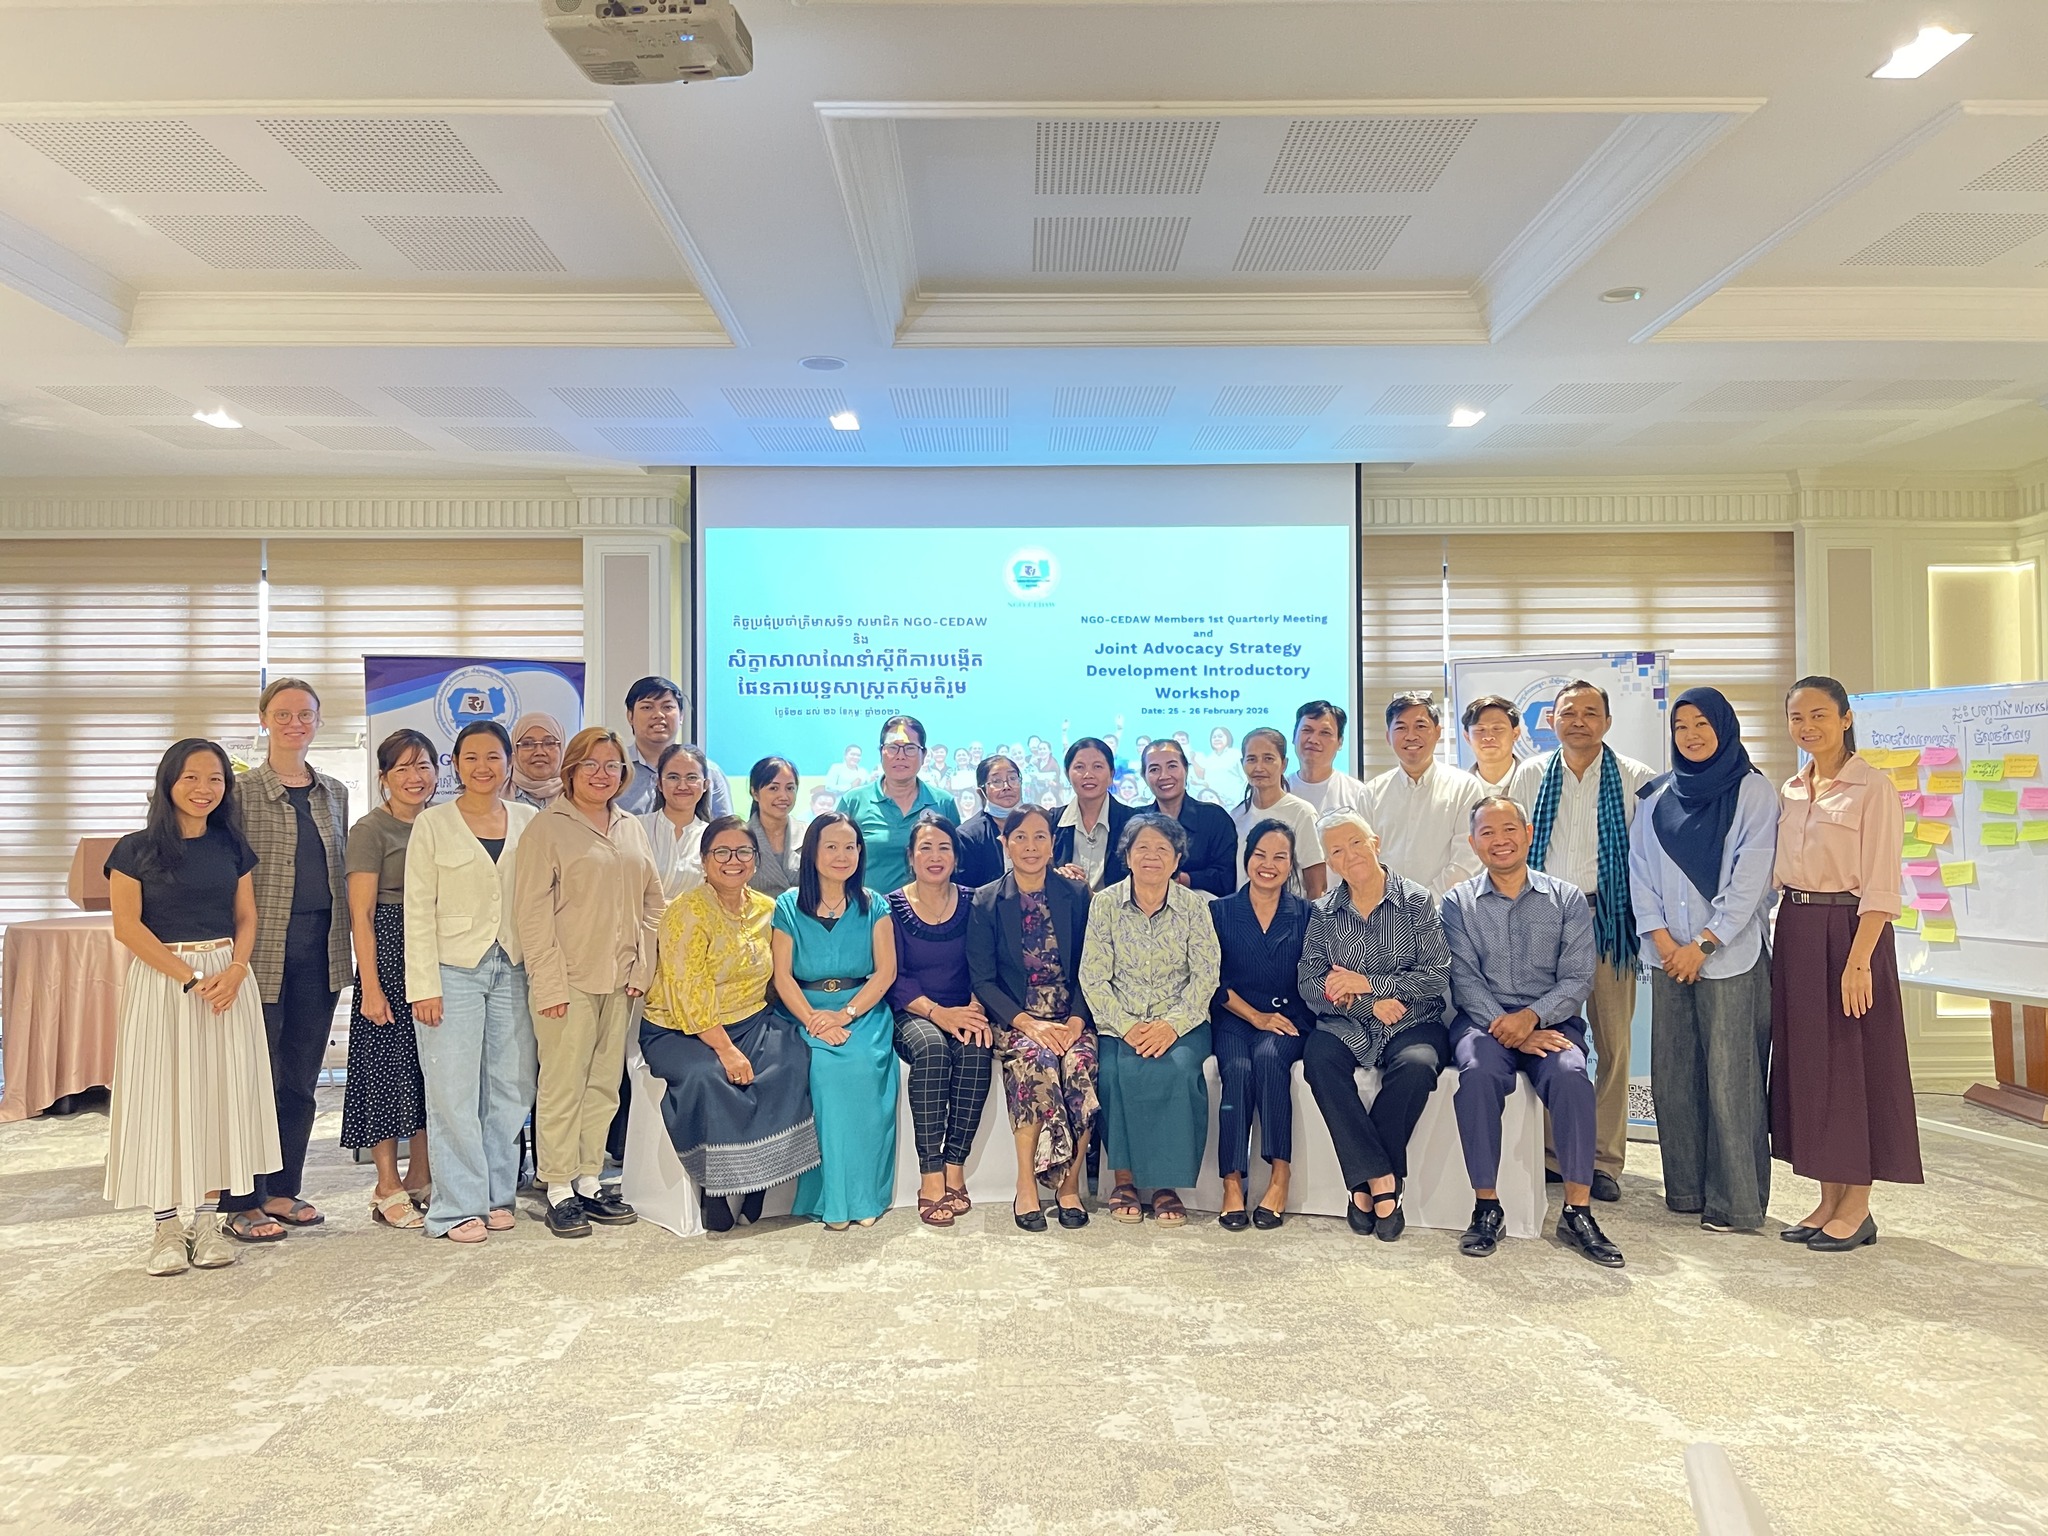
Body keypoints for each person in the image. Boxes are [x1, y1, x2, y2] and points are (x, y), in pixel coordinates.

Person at [104, 740, 278, 1276]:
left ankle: (205, 1223)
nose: (204, 789)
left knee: (217, 1097)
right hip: (165, 983)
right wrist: (190, 979)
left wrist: (237, 969)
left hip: (227, 979)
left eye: (215, 779)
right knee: (163, 1097)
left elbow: (246, 916)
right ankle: (165, 1228)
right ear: (169, 783)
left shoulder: (232, 846)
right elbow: (127, 927)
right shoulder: (133, 850)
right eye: (192, 778)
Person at [1444, 797, 1624, 1268]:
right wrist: (1512, 1029)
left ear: (1527, 834)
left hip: (1551, 1021)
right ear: (1473, 843)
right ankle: (1487, 1207)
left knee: (1571, 1076)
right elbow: (1464, 979)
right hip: (1482, 1021)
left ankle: (1577, 1211)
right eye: (1487, 832)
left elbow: (1577, 978)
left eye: (1508, 829)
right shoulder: (1457, 902)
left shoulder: (1566, 899)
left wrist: (1532, 1018)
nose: (1499, 840)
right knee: (1478, 1075)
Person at [1771, 676, 1919, 1251]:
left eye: (1819, 715)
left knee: (1853, 1065)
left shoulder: (1872, 787)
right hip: (1797, 928)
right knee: (1812, 1066)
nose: (1807, 727)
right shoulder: (1791, 789)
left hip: (1851, 933)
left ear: (1845, 718)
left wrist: (1859, 962)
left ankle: (1857, 1205)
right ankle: (1828, 1197)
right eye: (1797, 717)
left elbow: (1880, 884)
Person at [1630, 687, 1779, 1234]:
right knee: (1674, 1076)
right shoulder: (1655, 796)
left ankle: (1735, 1203)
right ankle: (1687, 1189)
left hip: (1730, 957)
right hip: (1667, 957)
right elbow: (1639, 873)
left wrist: (1703, 945)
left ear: (1724, 727)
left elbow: (1750, 881)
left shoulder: (1753, 791)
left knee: (1732, 1079)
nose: (1691, 736)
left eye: (1702, 724)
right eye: (1681, 726)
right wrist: (1665, 942)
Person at [1510, 680, 1655, 1202]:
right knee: (1553, 1036)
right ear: (1551, 721)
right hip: (1544, 921)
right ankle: (1554, 1154)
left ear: (1607, 722)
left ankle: (1604, 1160)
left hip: (1608, 919)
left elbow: (1650, 858)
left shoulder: (1636, 778)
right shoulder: (1530, 775)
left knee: (1613, 1043)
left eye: (1590, 713)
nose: (1578, 721)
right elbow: (1512, 849)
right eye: (1568, 712)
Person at [516, 726, 664, 1238]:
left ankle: (587, 1178)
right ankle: (558, 1186)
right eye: (591, 764)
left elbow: (652, 901)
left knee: (603, 1086)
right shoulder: (547, 829)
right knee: (563, 1085)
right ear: (571, 770)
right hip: (568, 981)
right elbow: (532, 915)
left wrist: (642, 967)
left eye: (612, 765)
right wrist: (549, 983)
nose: (602, 774)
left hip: (620, 980)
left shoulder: (631, 827)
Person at [639, 815, 821, 1231]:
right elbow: (688, 992)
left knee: (791, 1061)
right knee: (709, 1076)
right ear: (704, 860)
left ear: (755, 860)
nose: (733, 860)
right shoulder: (685, 912)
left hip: (752, 1019)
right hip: (679, 1027)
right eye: (721, 852)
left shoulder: (767, 909)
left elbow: (781, 974)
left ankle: (761, 1180)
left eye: (743, 851)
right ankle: (717, 1188)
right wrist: (725, 1049)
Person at [219, 678, 349, 1241]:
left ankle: (282, 1189)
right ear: (264, 719)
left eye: (305, 714)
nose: (295, 723)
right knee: (252, 1077)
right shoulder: (239, 792)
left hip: (321, 949)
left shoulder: (334, 792)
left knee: (299, 1077)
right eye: (284, 714)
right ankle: (240, 1199)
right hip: (259, 949)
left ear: (318, 722)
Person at [404, 721, 540, 1242]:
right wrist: (423, 985)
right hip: (451, 969)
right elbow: (417, 908)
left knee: (511, 1087)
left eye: (493, 757)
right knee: (452, 1090)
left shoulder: (529, 820)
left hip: (515, 965)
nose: (483, 767)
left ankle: (497, 1195)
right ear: (455, 765)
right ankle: (456, 1207)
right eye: (471, 757)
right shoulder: (433, 823)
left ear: (509, 762)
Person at [1300, 812, 1453, 1243]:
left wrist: (1368, 984)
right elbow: (1309, 982)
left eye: (1355, 842)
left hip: (1412, 1020)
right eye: (1336, 850)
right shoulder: (1324, 912)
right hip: (1346, 1023)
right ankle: (1381, 1178)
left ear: (1376, 842)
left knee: (1418, 1064)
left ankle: (1362, 1184)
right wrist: (1369, 1002)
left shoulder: (1417, 901)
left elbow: (1437, 974)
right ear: (1329, 862)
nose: (1348, 855)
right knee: (1319, 1059)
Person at [1078, 814, 1222, 1229]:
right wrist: (1127, 1026)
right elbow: (1093, 976)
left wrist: (1171, 1025)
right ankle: (1124, 1179)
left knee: (1176, 1070)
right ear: (1127, 856)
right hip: (1119, 1020)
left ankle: (1164, 1185)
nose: (1151, 856)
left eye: (1163, 849)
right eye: (1142, 847)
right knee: (1112, 1072)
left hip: (1182, 1022)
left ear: (1177, 860)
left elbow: (1206, 975)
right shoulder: (1105, 904)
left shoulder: (1194, 907)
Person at [967, 806, 1099, 1232]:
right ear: (1005, 844)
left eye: (1040, 836)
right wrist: (1028, 1024)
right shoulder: (986, 900)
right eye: (1020, 837)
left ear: (1053, 844)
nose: (1030, 846)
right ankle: (1026, 1184)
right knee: (1036, 1063)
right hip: (1017, 1018)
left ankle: (1069, 1185)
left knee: (1080, 1065)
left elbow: (1091, 967)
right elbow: (983, 980)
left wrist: (1076, 1021)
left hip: (1071, 1016)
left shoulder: (1076, 895)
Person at [773, 813, 900, 1229]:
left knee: (862, 1069)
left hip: (861, 1010)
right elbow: (782, 977)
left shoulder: (874, 904)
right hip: (803, 1012)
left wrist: (846, 1014)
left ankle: (864, 1197)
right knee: (825, 1072)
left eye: (850, 847)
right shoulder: (788, 904)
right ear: (812, 852)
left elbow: (885, 972)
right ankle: (833, 1200)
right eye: (831, 846)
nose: (841, 855)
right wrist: (814, 1020)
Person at [341, 730, 436, 1230]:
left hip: (434, 953)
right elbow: (361, 915)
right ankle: (386, 1183)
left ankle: (421, 1173)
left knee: (427, 1068)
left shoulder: (443, 823)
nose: (414, 777)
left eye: (423, 766)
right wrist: (371, 987)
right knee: (384, 1068)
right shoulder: (370, 829)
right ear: (383, 778)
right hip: (388, 952)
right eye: (402, 768)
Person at [887, 812, 993, 1227]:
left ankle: (955, 1166)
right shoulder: (892, 906)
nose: (935, 856)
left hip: (965, 1006)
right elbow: (893, 975)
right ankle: (930, 1175)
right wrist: (939, 1014)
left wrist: (974, 1007)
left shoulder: (975, 901)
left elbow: (986, 962)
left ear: (956, 856)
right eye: (925, 848)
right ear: (911, 856)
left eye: (944, 848)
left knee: (975, 1047)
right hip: (913, 1010)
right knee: (932, 1049)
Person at [1209, 819, 1313, 1231]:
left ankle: (1279, 1176)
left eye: (1280, 857)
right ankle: (1231, 1182)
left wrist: (1271, 1020)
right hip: (1234, 1015)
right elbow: (1211, 978)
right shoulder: (1219, 911)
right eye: (1260, 855)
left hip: (1289, 1018)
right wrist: (1254, 1016)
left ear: (1291, 864)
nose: (1268, 865)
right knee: (1236, 1069)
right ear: (1246, 857)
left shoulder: (1307, 914)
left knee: (1270, 1060)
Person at [1359, 692, 1489, 898]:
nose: (1411, 736)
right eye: (1401, 728)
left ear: (1437, 732)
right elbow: (1363, 856)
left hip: (1445, 908)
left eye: (1420, 726)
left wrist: (1424, 901)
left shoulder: (1465, 787)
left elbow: (1466, 859)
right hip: (1384, 909)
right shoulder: (1371, 792)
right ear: (1388, 737)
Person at [836, 715, 960, 895]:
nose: (900, 756)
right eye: (892, 748)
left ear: (924, 755)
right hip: (867, 909)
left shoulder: (943, 802)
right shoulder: (854, 801)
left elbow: (956, 864)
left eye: (910, 748)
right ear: (881, 752)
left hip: (930, 910)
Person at [1230, 727, 1328, 898]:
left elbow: (1317, 886)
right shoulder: (1236, 816)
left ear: (1284, 764)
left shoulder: (1302, 813)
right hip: (1243, 912)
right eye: (1251, 759)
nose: (1259, 767)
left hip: (1291, 912)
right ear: (1242, 763)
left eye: (1268, 759)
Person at [618, 675, 732, 819]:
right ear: (630, 716)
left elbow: (726, 827)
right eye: (647, 707)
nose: (658, 715)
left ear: (681, 716)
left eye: (667, 707)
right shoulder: (615, 769)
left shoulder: (709, 772)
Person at [1141, 740, 1239, 897]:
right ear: (1144, 776)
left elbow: (1226, 878)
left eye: (1172, 766)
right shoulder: (1136, 821)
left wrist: (1183, 879)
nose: (1164, 776)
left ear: (1186, 769)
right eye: (1154, 769)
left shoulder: (1215, 818)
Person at [1055, 736, 1135, 890]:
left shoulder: (1132, 822)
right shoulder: (1052, 821)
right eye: (1079, 767)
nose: (1088, 775)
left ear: (1111, 774)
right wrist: (1056, 876)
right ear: (1067, 774)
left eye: (1097, 766)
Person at [1287, 700, 1371, 836]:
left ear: (1340, 742)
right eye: (1307, 730)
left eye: (1325, 733)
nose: (1313, 740)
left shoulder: (1357, 794)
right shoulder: (1278, 790)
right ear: (1294, 736)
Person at [640, 742, 710, 902]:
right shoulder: (636, 828)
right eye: (673, 777)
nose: (682, 786)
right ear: (659, 783)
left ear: (705, 785)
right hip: (640, 917)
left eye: (692, 777)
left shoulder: (713, 837)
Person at [956, 753, 1024, 888]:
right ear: (981, 791)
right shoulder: (968, 835)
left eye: (1012, 778)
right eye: (996, 781)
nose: (1007, 786)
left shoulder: (1037, 823)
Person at [745, 755, 804, 898]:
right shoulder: (741, 838)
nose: (783, 796)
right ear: (755, 793)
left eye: (790, 788)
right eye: (773, 788)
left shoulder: (811, 835)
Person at [1461, 695, 1523, 790]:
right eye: (1480, 730)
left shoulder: (1538, 781)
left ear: (1515, 734)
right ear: (1467, 737)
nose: (1488, 737)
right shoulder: (1457, 787)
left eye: (1497, 728)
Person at [507, 712, 564, 809]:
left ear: (561, 748)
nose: (539, 752)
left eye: (549, 743)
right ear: (515, 750)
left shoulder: (578, 795)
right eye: (527, 744)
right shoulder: (497, 795)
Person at [1196, 725, 1247, 806]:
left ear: (1228, 738)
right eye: (1214, 737)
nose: (1217, 739)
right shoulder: (1209, 759)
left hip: (1236, 803)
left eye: (1220, 736)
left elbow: (1246, 779)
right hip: (1216, 804)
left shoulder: (1236, 755)